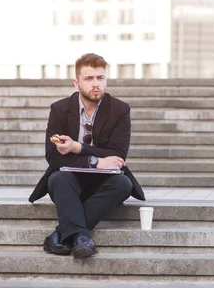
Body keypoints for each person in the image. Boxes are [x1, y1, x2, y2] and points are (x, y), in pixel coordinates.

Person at [28, 53, 145, 259]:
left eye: (100, 78)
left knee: (123, 184)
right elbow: (53, 157)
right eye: (89, 78)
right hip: (69, 182)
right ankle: (82, 238)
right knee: (58, 178)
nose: (96, 84)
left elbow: (117, 156)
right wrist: (95, 161)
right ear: (76, 82)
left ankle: (61, 236)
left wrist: (77, 148)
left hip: (103, 183)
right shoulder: (60, 109)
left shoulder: (119, 110)